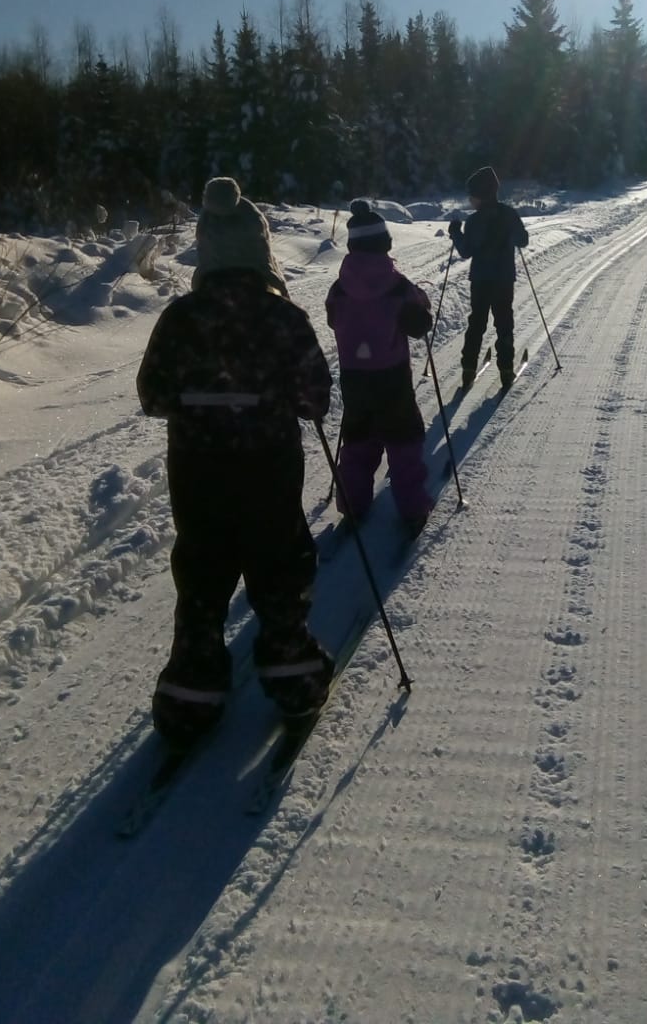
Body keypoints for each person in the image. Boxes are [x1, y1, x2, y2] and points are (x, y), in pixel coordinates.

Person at [137, 176, 334, 747]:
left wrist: (199, 399)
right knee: (278, 570)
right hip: (268, 470)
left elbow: (153, 396)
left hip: (197, 473)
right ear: (260, 250)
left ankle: (189, 696)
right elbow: (316, 399)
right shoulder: (283, 318)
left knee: (201, 576)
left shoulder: (180, 318)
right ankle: (294, 679)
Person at [325, 199, 435, 539]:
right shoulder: (399, 286)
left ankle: (353, 504)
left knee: (358, 442)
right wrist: (419, 309)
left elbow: (333, 319)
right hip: (392, 379)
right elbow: (420, 325)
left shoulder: (338, 288)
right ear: (385, 243)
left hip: (354, 379)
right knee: (404, 442)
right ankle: (412, 508)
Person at [448, 165, 529, 389]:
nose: (470, 200)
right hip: (503, 280)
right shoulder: (509, 214)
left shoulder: (474, 221)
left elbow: (466, 251)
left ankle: (468, 369)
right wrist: (513, 234)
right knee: (504, 324)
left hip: (481, 281)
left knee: (477, 323)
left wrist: (455, 233)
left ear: (481, 195)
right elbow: (523, 240)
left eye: (472, 195)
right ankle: (506, 370)